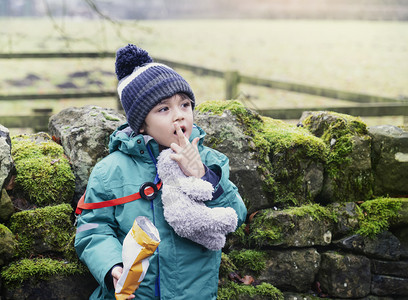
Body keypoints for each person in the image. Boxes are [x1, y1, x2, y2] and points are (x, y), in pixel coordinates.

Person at [74, 44, 247, 300]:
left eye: (185, 105)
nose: (179, 116)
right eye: (164, 109)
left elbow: (237, 214)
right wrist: (111, 265)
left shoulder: (210, 161)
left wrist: (201, 175)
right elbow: (93, 228)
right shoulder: (111, 171)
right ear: (142, 124)